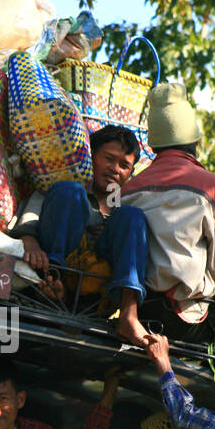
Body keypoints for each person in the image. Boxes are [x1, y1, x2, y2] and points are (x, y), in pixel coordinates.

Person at [120, 81, 215, 342]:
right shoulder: (214, 189)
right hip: (187, 319)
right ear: (196, 140)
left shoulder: (128, 190)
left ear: (153, 146)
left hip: (140, 309)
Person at [10, 124, 151, 345]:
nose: (115, 169)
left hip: (93, 297)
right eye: (109, 159)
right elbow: (27, 221)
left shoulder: (122, 206)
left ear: (130, 174)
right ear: (92, 156)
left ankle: (128, 314)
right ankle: (53, 283)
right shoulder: (64, 188)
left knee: (133, 216)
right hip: (48, 278)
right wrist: (30, 243)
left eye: (124, 165)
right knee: (70, 192)